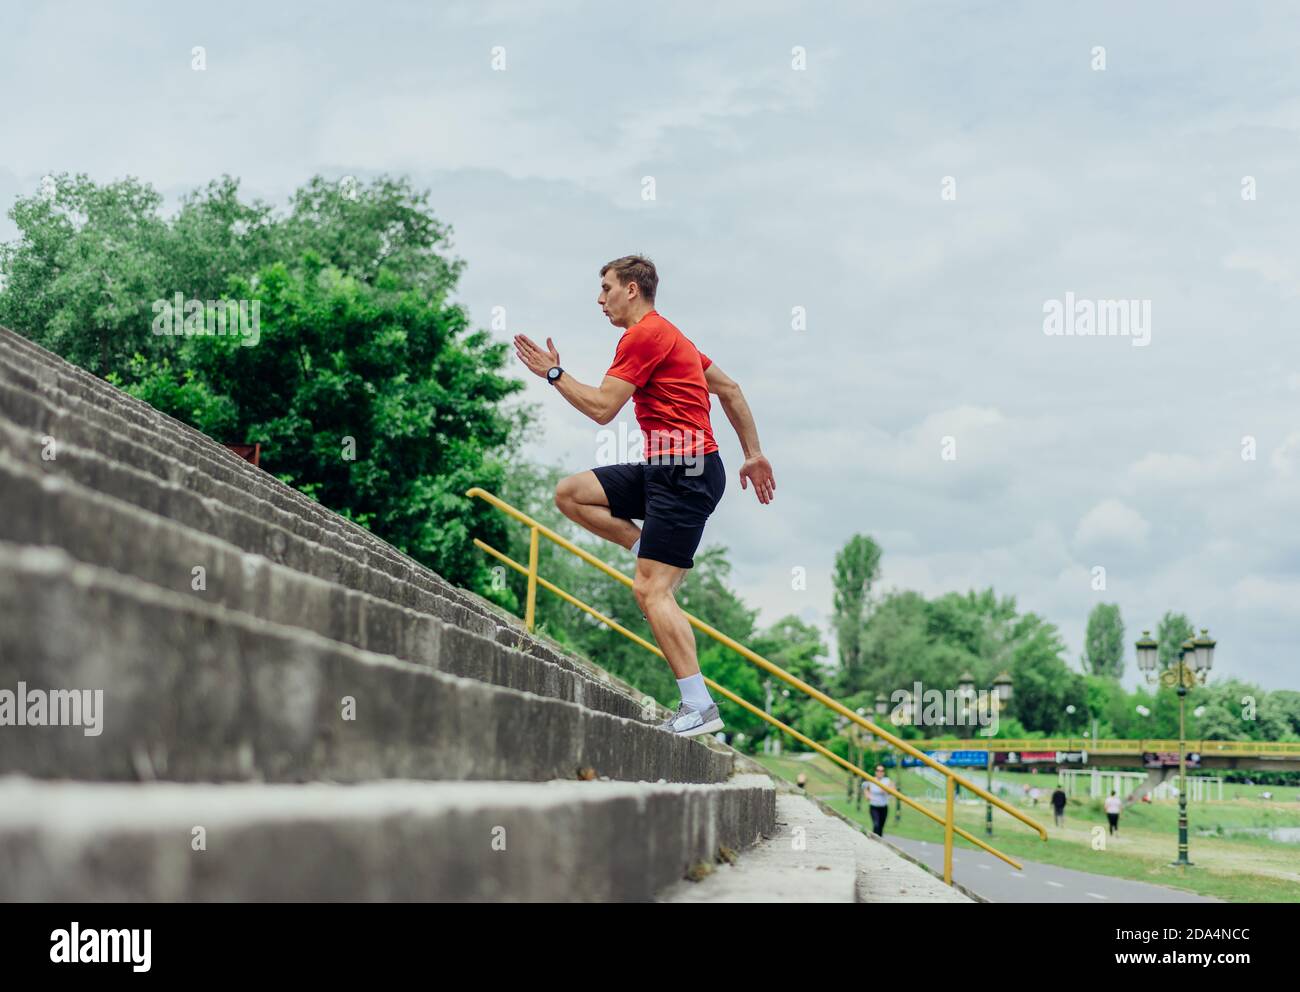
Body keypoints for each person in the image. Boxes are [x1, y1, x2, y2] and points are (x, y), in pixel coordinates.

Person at [514, 256, 776, 738]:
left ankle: (699, 706)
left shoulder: (644, 335)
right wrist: (753, 453)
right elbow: (731, 390)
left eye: (606, 288)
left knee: (649, 591)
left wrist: (554, 375)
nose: (600, 299)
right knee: (571, 494)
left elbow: (601, 408)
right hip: (665, 468)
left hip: (687, 471)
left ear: (631, 289)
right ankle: (650, 553)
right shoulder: (675, 338)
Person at [867, 764, 892, 836]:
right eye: (878, 770)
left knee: (881, 827)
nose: (880, 772)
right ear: (875, 772)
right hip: (874, 806)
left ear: (884, 772)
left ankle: (879, 842)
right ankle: (874, 841)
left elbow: (892, 791)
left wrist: (885, 790)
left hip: (883, 807)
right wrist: (867, 795)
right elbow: (866, 789)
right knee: (876, 824)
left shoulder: (887, 780)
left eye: (882, 771)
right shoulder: (871, 780)